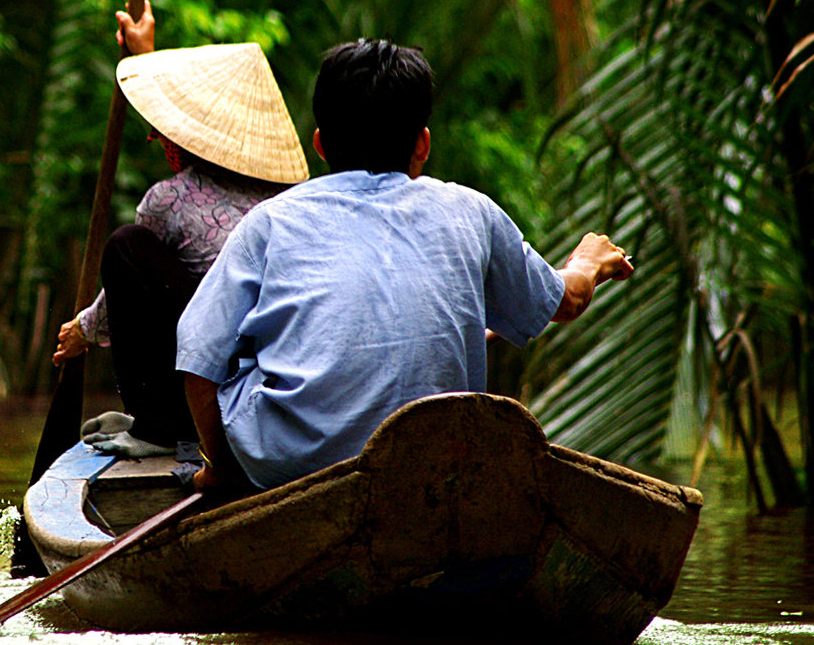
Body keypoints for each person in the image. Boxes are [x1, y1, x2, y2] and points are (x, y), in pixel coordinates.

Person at [176, 39, 633, 492]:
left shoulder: (270, 221)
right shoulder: (471, 211)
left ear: (319, 144)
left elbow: (198, 354)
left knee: (238, 349)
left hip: (289, 469)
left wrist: (224, 469)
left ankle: (223, 471)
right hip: (434, 460)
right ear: (423, 144)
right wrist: (587, 261)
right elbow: (566, 300)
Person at [50, 3, 309, 457]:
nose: (157, 139)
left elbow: (121, 296)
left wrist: (82, 331)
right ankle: (162, 419)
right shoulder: (288, 197)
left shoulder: (168, 198)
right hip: (277, 373)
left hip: (218, 373)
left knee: (126, 248)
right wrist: (143, 53)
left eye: (164, 135)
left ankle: (155, 427)